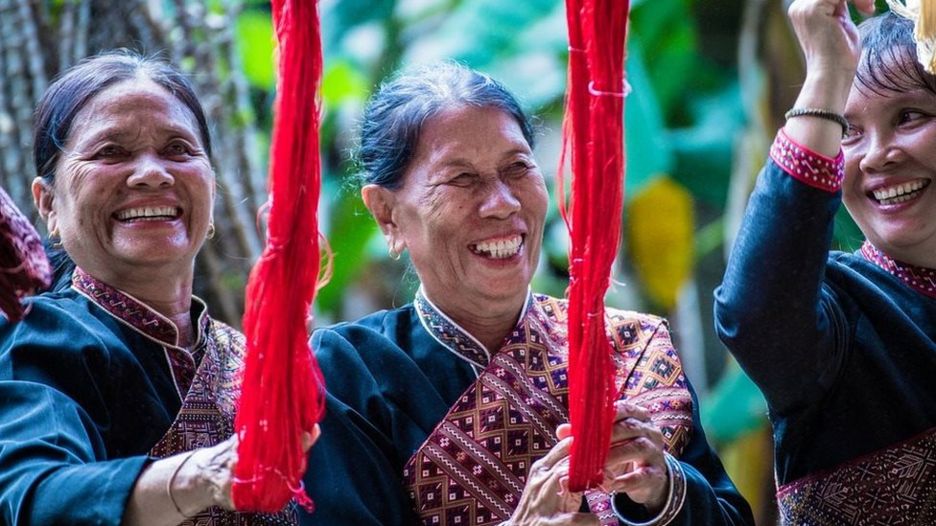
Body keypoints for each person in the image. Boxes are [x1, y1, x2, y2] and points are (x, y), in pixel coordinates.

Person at [301, 62, 753, 526]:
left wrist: (663, 488)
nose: (503, 202)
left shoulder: (629, 350)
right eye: (461, 179)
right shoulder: (348, 371)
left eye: (517, 168)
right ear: (387, 214)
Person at [0, 51, 317, 526]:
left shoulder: (252, 359)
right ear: (47, 205)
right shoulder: (39, 339)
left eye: (178, 150)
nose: (152, 173)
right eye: (110, 152)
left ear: (211, 186)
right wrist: (205, 475)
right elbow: (34, 499)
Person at [714, 0, 936, 523]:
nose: (878, 155)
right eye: (849, 131)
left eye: (909, 117)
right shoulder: (840, 312)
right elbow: (751, 314)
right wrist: (826, 74)